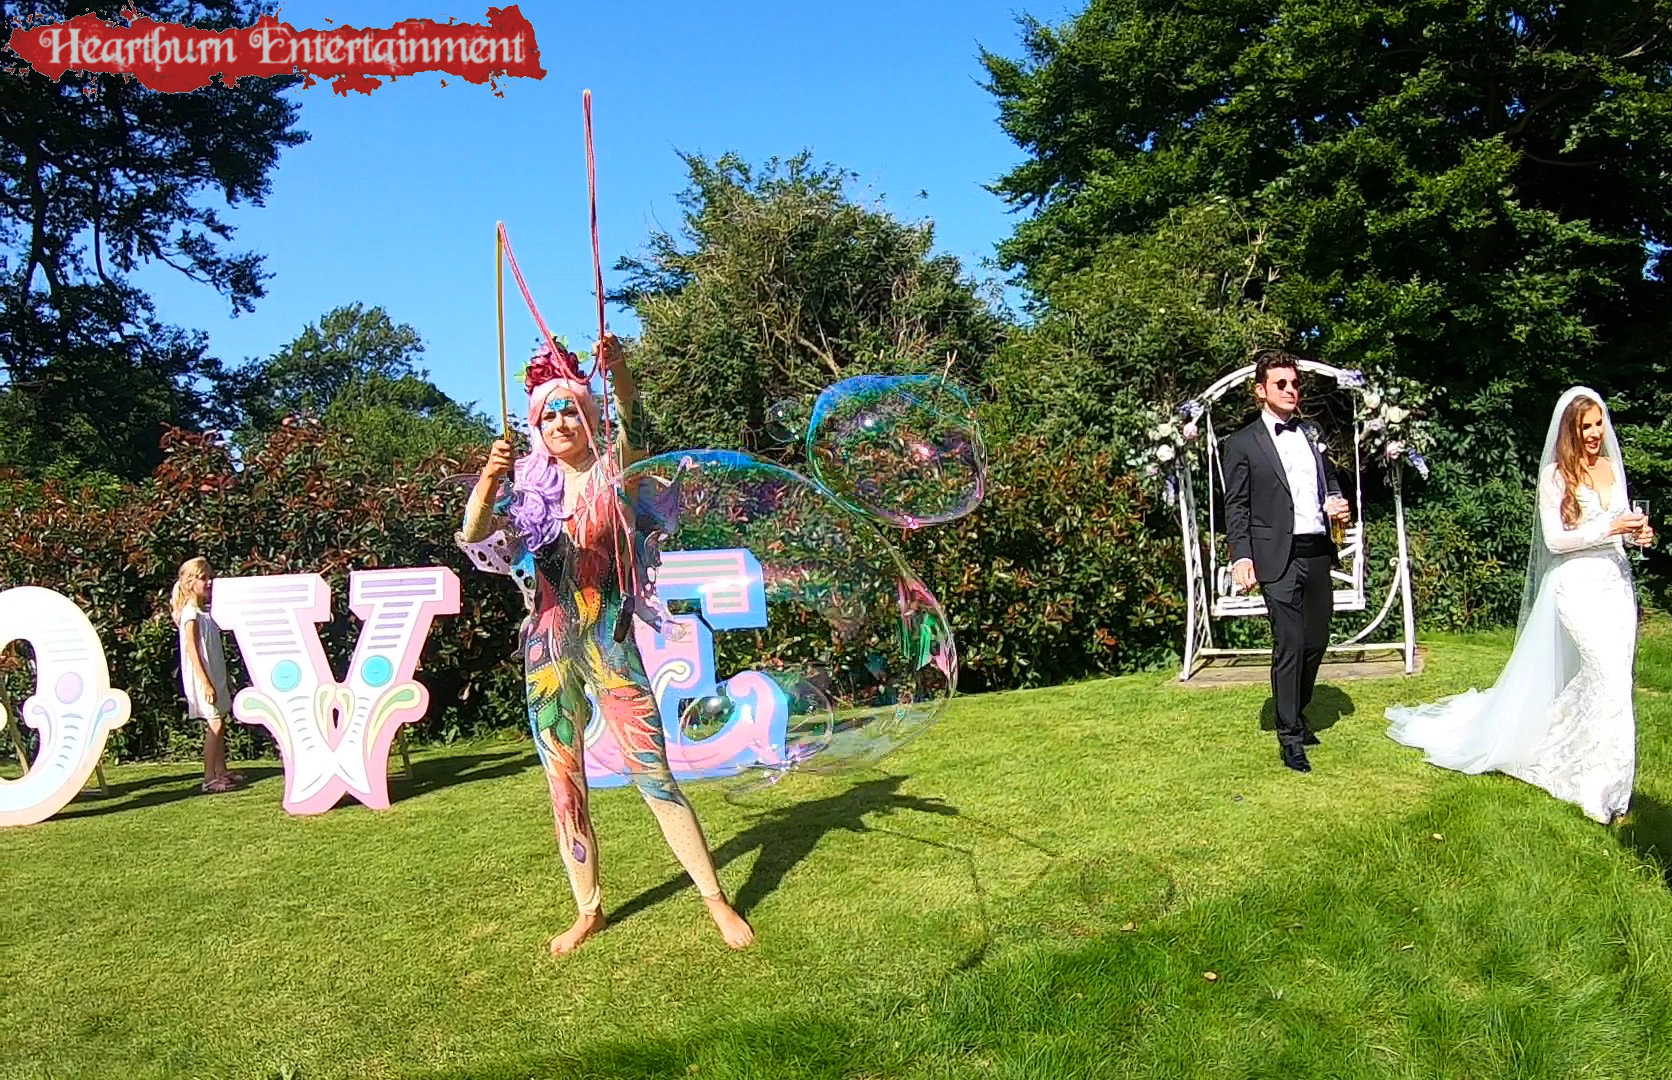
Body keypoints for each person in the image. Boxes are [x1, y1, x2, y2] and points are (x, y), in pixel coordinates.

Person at [456, 333, 754, 955]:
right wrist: (488, 478)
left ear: (590, 416)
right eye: (548, 415)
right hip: (548, 650)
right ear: (536, 427)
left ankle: (715, 900)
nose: (560, 422)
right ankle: (587, 910)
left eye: (571, 409)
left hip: (610, 642)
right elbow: (474, 532)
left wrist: (619, 372)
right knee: (563, 782)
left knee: (654, 774)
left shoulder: (617, 472)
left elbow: (636, 424)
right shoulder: (526, 490)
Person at [1386, 388, 1654, 824]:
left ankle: (1600, 772)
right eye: (1585, 426)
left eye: (1598, 423)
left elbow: (1623, 530)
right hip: (1577, 588)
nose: (1594, 433)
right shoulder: (1555, 477)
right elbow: (1556, 541)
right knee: (1607, 677)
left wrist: (1639, 536)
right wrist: (1609, 528)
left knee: (1614, 682)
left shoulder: (1610, 468)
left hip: (1616, 589)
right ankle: (1598, 788)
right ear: (1569, 430)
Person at [1222, 349, 1353, 773]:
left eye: (1295, 383)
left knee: (1316, 641)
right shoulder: (1241, 444)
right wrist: (1242, 556)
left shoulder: (1312, 433)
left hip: (1317, 550)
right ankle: (1290, 736)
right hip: (1275, 556)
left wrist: (1337, 503)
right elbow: (1236, 507)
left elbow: (1328, 482)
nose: (1291, 390)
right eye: (1281, 384)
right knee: (1290, 643)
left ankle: (1298, 708)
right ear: (1261, 391)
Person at [171, 557, 243, 793]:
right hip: (204, 678)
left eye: (209, 577)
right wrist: (205, 683)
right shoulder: (190, 615)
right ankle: (209, 778)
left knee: (220, 720)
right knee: (215, 723)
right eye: (203, 578)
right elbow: (192, 650)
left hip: (215, 674)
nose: (209, 582)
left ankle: (221, 770)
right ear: (190, 583)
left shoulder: (205, 613)